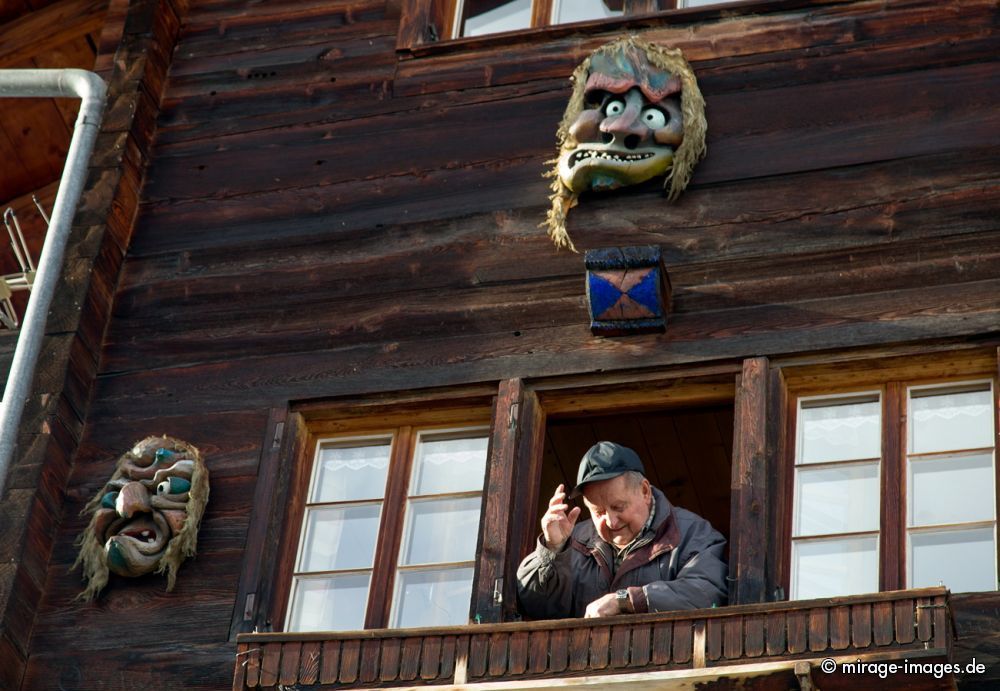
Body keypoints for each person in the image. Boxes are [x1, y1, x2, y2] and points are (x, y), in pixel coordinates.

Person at [516, 441, 728, 619]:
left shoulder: (693, 533)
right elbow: (533, 607)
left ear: (645, 491)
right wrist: (552, 550)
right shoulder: (571, 541)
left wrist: (626, 601)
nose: (611, 521)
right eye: (598, 512)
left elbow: (708, 592)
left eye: (618, 507)